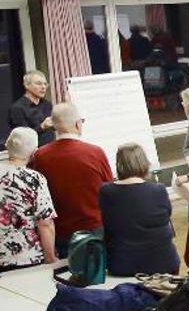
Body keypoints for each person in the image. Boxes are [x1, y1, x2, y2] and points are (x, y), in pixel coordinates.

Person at [28, 103, 113, 256]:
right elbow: (110, 190)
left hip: (59, 230)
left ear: (54, 126)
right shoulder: (95, 152)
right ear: (77, 124)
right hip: (94, 228)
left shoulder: (40, 156)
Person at [96, 143, 179, 276]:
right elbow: (166, 216)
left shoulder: (106, 192)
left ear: (119, 164)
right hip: (163, 262)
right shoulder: (159, 190)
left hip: (122, 264)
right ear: (144, 162)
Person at [0, 127, 56, 271]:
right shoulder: (34, 179)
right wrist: (50, 258)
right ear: (33, 152)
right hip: (26, 257)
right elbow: (45, 223)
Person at [8, 70, 54, 147]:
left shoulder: (47, 104)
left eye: (45, 84)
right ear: (27, 85)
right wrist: (42, 127)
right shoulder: (17, 108)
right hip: (32, 155)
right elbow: (22, 138)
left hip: (51, 150)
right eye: (38, 83)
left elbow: (53, 129)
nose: (43, 87)